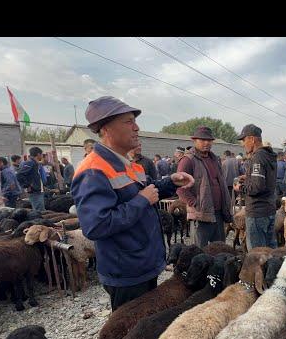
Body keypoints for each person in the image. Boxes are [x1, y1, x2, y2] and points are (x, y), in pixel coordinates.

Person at [72, 96, 194, 311]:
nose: (137, 127)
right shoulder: (93, 170)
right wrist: (141, 201)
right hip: (127, 273)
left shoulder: (129, 164)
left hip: (143, 264)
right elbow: (96, 225)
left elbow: (145, 191)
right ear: (106, 128)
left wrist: (169, 182)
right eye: (129, 122)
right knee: (130, 336)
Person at [177, 126, 233, 248]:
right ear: (195, 141)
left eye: (209, 140)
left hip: (218, 212)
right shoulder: (188, 160)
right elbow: (180, 188)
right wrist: (195, 203)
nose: (206, 143)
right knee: (199, 251)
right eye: (202, 140)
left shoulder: (214, 159)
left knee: (219, 250)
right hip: (201, 214)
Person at [235, 124, 277, 249]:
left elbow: (257, 187)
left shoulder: (257, 157)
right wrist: (248, 178)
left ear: (252, 139)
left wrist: (240, 188)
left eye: (244, 140)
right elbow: (264, 180)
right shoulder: (269, 155)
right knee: (270, 251)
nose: (243, 144)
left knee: (256, 254)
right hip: (269, 209)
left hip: (257, 212)